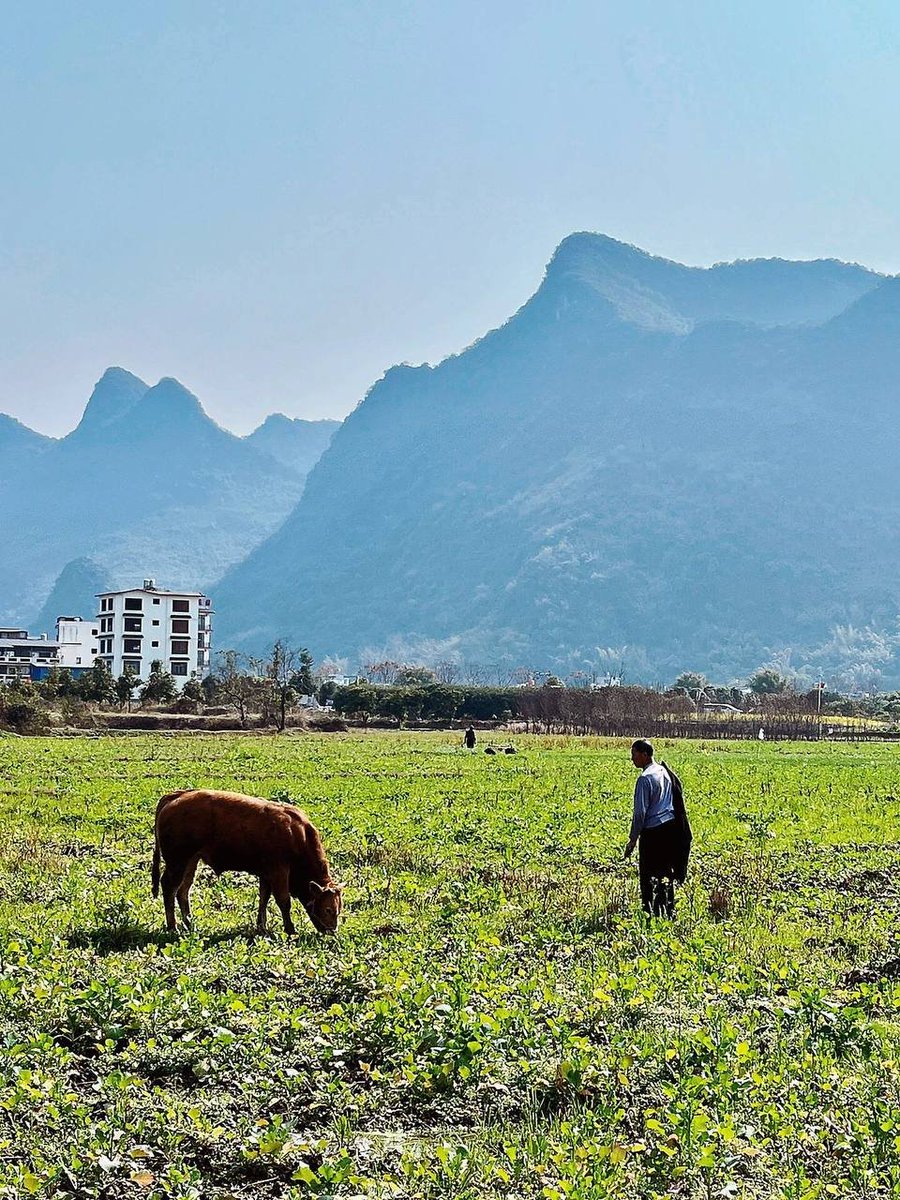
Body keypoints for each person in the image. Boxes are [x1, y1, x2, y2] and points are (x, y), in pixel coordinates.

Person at [623, 739, 679, 917]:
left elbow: (640, 813)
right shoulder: (663, 771)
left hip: (653, 832)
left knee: (648, 874)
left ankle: (650, 912)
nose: (632, 759)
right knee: (665, 871)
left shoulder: (644, 779)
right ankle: (668, 909)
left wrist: (633, 839)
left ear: (644, 754)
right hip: (669, 828)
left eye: (634, 754)